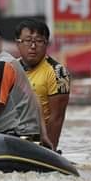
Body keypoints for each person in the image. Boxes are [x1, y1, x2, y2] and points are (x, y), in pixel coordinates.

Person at [15, 19, 72, 149]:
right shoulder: (9, 68)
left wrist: (48, 151)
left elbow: (57, 117)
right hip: (11, 136)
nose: (33, 46)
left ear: (47, 44)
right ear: (17, 43)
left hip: (38, 140)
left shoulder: (59, 72)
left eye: (39, 41)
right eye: (28, 41)